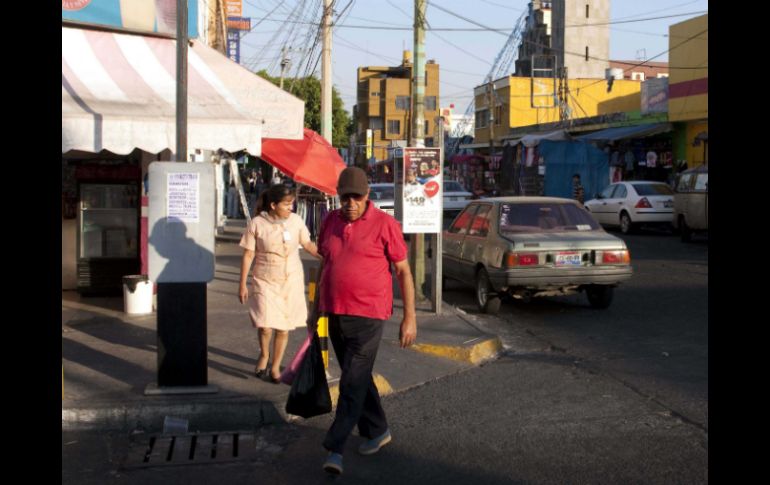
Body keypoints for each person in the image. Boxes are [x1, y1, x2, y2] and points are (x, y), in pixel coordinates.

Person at [318, 166, 417, 475]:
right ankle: (377, 429)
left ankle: (335, 448)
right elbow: (325, 265)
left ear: (367, 196)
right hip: (335, 312)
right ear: (338, 196)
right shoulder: (330, 221)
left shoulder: (385, 224)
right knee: (357, 376)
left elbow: (403, 271)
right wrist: (315, 310)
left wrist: (409, 318)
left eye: (357, 197)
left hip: (369, 315)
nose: (351, 203)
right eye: (345, 197)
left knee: (351, 381)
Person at [238, 184, 320, 383]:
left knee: (284, 327)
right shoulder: (257, 223)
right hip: (264, 279)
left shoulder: (296, 221)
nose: (291, 208)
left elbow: (307, 244)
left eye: (292, 203)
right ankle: (264, 354)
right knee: (265, 324)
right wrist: (242, 284)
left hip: (291, 279)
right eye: (286, 204)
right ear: (273, 205)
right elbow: (248, 254)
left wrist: (326, 257)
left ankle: (275, 367)